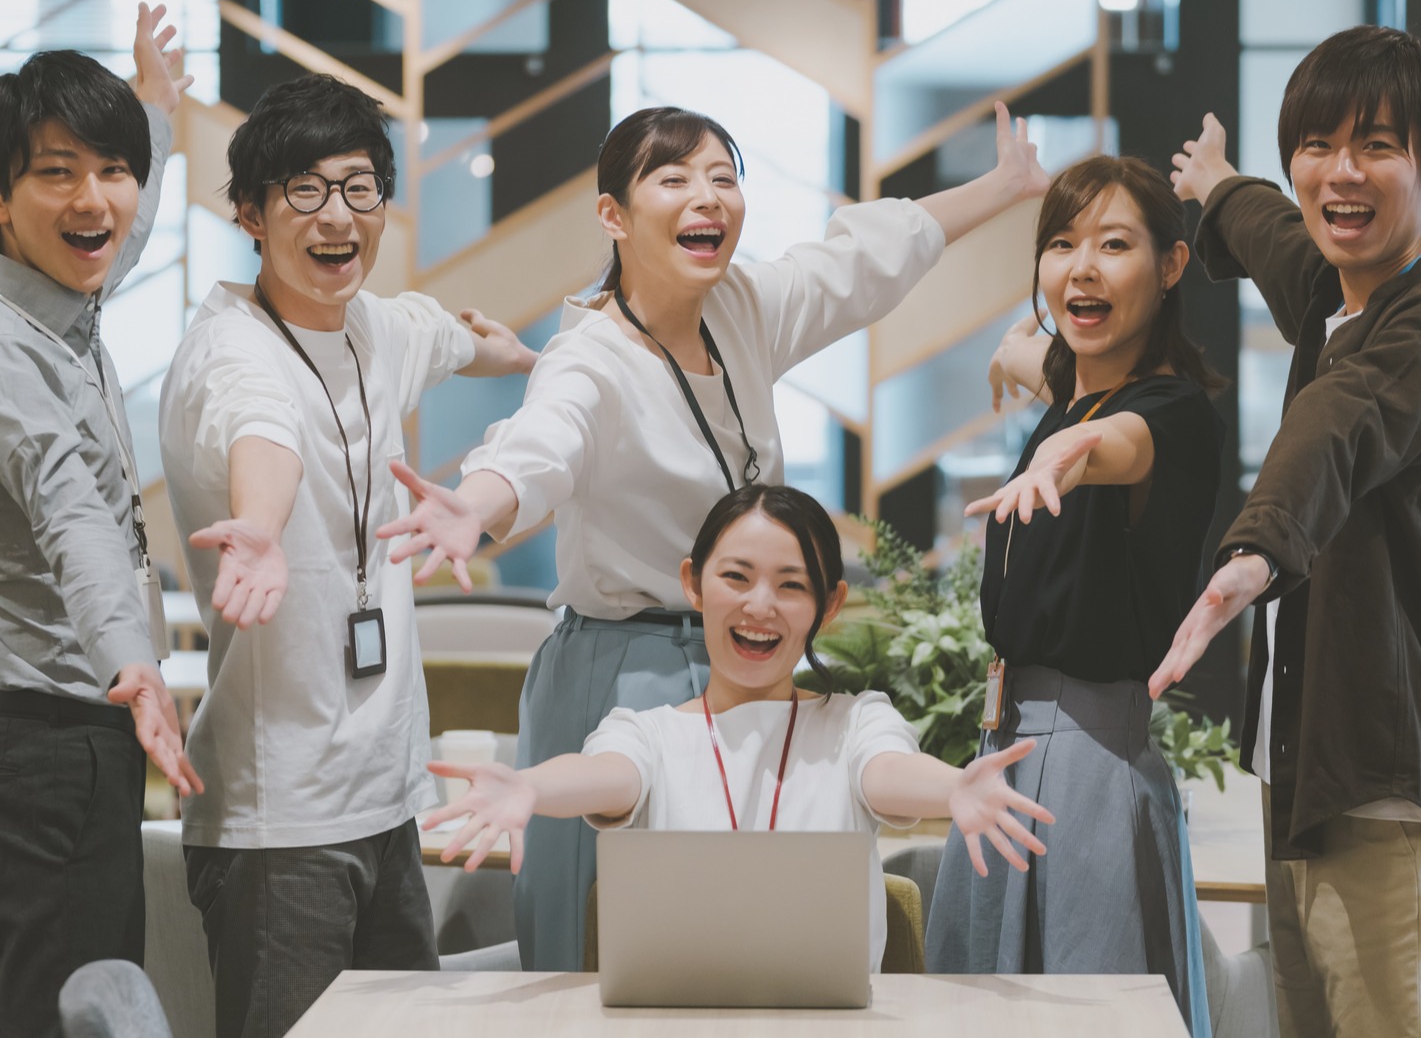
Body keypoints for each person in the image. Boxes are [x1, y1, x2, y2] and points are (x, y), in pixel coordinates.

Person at [378, 100, 1051, 970]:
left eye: (723, 178)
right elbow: (539, 446)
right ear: (612, 216)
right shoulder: (589, 355)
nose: (708, 198)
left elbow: (861, 262)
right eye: (674, 178)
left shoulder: (741, 304)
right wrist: (477, 504)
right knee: (599, 944)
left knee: (738, 934)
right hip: (622, 668)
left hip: (741, 658)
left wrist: (1001, 186)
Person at [158, 73, 536, 1037]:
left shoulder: (379, 324)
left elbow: (452, 337)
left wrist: (526, 358)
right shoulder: (231, 349)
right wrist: (260, 527)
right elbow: (265, 434)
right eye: (305, 191)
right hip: (279, 820)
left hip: (385, 798)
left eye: (359, 187)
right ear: (248, 210)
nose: (338, 217)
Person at [425, 483, 1053, 971]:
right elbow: (601, 775)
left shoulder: (856, 721)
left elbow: (886, 772)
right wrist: (530, 787)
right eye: (735, 577)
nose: (760, 606)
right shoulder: (645, 733)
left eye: (791, 585)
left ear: (827, 606)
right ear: (692, 583)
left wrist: (952, 788)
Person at [1154, 25, 1421, 1038]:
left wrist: (1252, 549)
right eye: (1314, 143)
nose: (1338, 173)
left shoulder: (1399, 333)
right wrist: (1220, 183)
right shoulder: (1333, 296)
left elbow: (1333, 425)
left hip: (1380, 802)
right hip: (1306, 783)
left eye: (1376, 145)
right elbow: (1277, 232)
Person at [924, 155, 1225, 1038]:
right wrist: (1014, 356)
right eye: (1060, 244)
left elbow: (1120, 442)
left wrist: (1069, 453)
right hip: (1003, 754)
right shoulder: (1071, 394)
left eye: (1113, 244)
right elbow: (1044, 362)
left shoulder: (1168, 414)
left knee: (1082, 1012)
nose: (1079, 267)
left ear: (1171, 266)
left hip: (1089, 767)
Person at [0, 5, 201, 1038]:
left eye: (111, 168)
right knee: (55, 1000)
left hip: (86, 722)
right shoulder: (9, 349)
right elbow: (68, 505)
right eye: (57, 171)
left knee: (101, 986)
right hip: (41, 734)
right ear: (1, 200)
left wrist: (156, 112)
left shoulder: (61, 299)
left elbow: (121, 224)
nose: (97, 201)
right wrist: (134, 661)